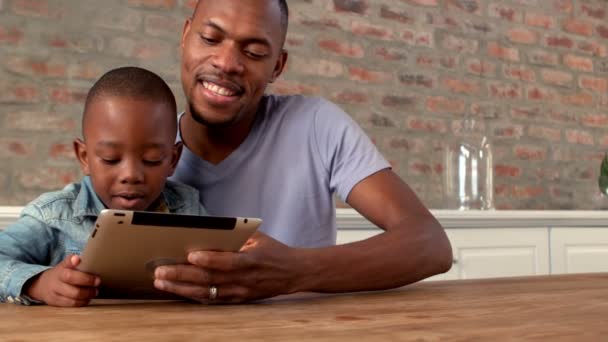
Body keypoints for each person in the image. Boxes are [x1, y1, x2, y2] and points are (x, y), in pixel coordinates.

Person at [154, 0, 452, 303]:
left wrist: (294, 271)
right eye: (210, 39)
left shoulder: (316, 125)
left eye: (254, 52)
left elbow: (430, 244)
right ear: (185, 36)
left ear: (277, 66)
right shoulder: (144, 155)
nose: (227, 62)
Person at [0, 66, 207, 307]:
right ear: (85, 157)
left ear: (173, 160)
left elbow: (227, 262)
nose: (131, 175)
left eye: (151, 159)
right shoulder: (55, 216)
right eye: (110, 159)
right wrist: (38, 284)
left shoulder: (188, 209)